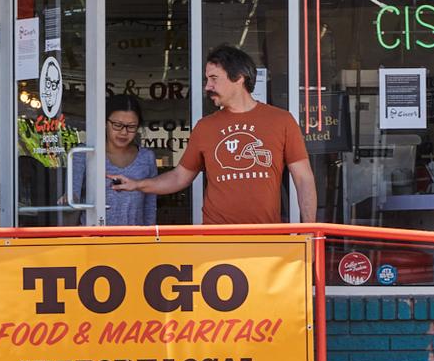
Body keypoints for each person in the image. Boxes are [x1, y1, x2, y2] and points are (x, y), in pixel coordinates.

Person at [109, 44, 317, 225]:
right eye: (207, 79)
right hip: (216, 238)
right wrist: (137, 185)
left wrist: (310, 230)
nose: (208, 86)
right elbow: (180, 177)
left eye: (214, 78)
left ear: (238, 78)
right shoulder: (205, 127)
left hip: (266, 238)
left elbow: (303, 178)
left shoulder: (280, 120)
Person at [102, 93, 159, 226]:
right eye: (117, 125)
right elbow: (73, 202)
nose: (124, 132)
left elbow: (150, 206)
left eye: (131, 127)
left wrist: (149, 238)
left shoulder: (146, 157)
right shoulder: (85, 154)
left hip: (134, 241)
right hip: (92, 241)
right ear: (105, 123)